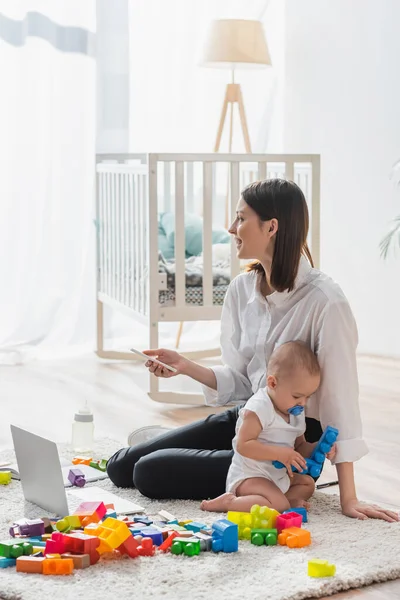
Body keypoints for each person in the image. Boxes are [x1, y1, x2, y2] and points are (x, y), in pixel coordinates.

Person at [107, 178, 398, 522]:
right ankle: (169, 442)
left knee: (147, 472)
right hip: (250, 416)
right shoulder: (241, 289)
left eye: (241, 218)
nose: (231, 228)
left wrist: (349, 498)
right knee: (120, 467)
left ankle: (173, 448)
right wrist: (183, 365)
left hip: (285, 447)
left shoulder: (326, 302)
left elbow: (341, 401)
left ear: (271, 227)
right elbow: (241, 380)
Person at [201, 340, 334, 514]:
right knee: (279, 505)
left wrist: (320, 447)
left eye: (308, 397)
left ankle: (285, 500)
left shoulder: (295, 412)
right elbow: (243, 445)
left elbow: (300, 447)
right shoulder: (259, 408)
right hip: (251, 476)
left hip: (277, 477)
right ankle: (230, 502)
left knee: (307, 484)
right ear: (272, 383)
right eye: (297, 396)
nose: (302, 403)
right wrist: (280, 454)